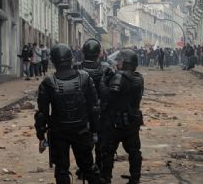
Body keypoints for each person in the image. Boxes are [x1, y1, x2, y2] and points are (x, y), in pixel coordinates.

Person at [34, 44, 100, 184]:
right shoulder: (85, 78)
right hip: (81, 129)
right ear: (71, 59)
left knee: (62, 169)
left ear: (53, 61)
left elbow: (42, 114)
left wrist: (41, 134)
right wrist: (94, 131)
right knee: (88, 167)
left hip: (59, 131)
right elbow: (94, 108)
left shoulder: (48, 82)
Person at [100, 49, 144, 184]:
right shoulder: (138, 77)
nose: (117, 63)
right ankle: (135, 178)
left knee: (107, 151)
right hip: (133, 120)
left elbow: (107, 96)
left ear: (125, 62)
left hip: (117, 122)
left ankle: (106, 178)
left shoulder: (120, 77)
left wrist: (103, 81)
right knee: (134, 151)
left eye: (119, 61)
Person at [74, 39, 113, 178]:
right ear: (99, 53)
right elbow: (110, 91)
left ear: (84, 52)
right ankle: (98, 166)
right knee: (101, 140)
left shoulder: (77, 68)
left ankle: (84, 168)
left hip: (81, 110)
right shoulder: (106, 68)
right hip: (101, 109)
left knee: (83, 140)